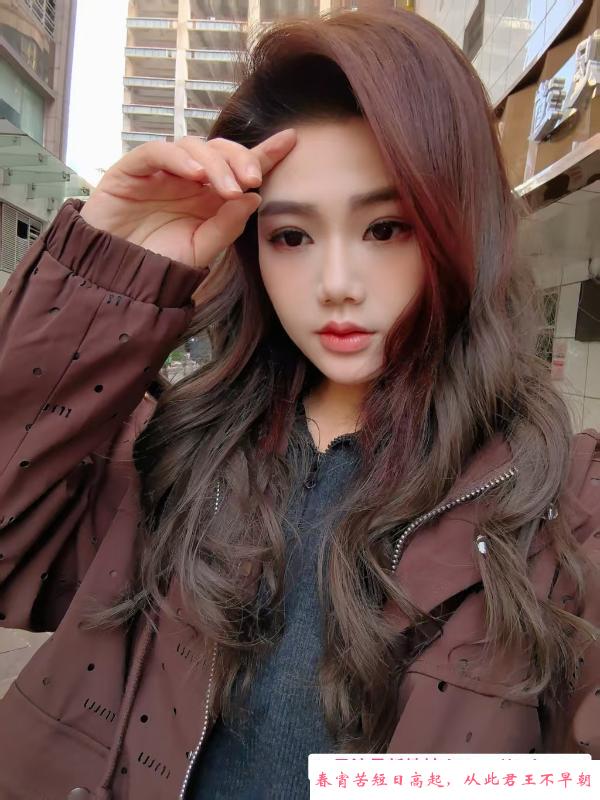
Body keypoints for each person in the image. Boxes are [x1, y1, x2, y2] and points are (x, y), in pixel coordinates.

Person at [0, 7, 598, 799]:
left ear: (460, 227)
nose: (336, 283)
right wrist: (103, 275)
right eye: (291, 236)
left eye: (386, 228)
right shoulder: (177, 453)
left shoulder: (562, 503)